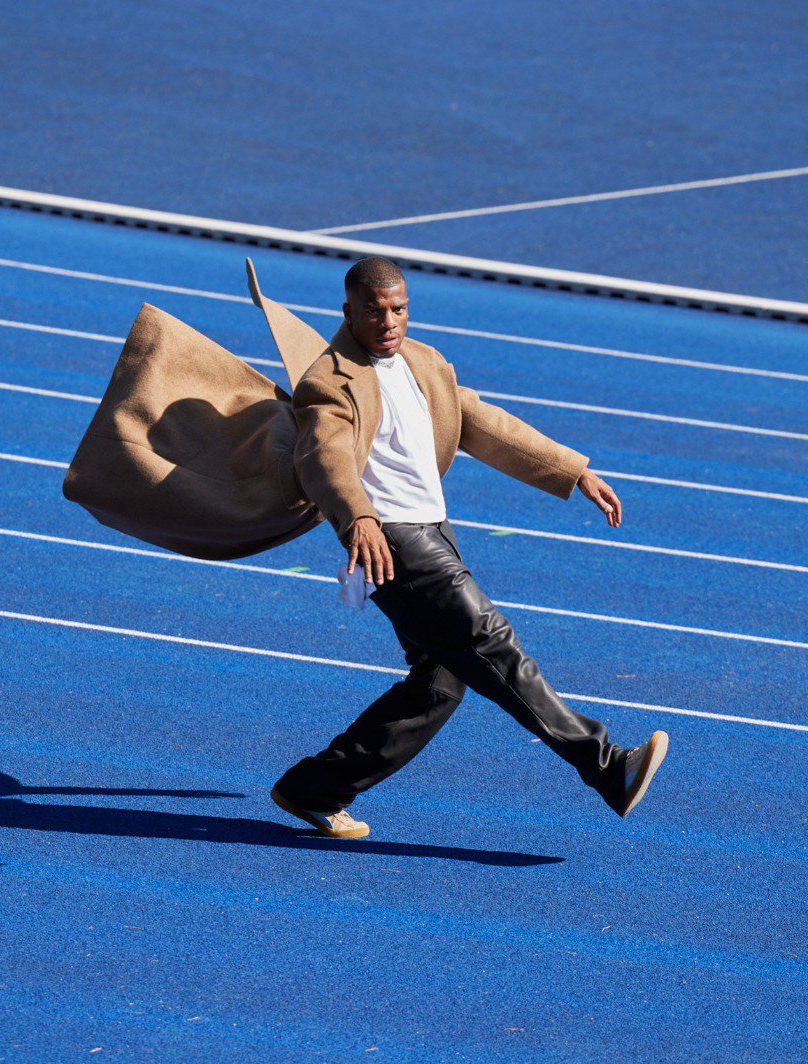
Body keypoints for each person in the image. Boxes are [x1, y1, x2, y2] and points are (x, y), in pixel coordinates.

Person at [267, 257, 668, 840]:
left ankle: (314, 787)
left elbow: (483, 422)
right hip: (389, 539)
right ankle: (606, 767)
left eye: (398, 309)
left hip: (432, 528)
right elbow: (324, 457)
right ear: (347, 310)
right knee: (493, 643)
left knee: (439, 682)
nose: (388, 321)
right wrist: (357, 518)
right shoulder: (328, 381)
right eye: (374, 311)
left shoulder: (424, 362)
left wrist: (572, 471)